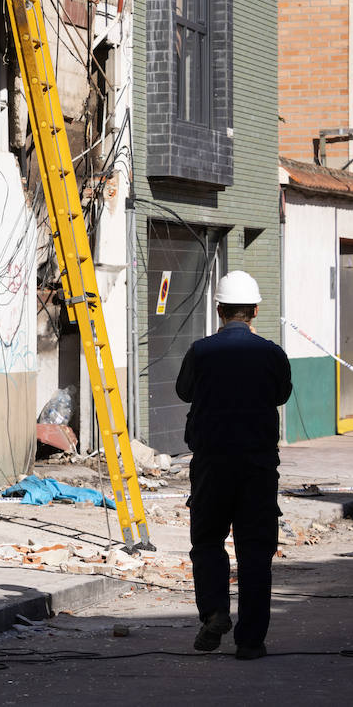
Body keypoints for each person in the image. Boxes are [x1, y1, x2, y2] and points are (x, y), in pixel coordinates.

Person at [175, 270, 291, 660]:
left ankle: (214, 612)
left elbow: (183, 391)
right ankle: (251, 642)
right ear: (255, 310)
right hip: (258, 466)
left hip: (211, 464)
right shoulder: (272, 353)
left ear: (219, 309)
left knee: (207, 541)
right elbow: (281, 394)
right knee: (255, 550)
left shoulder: (201, 351)